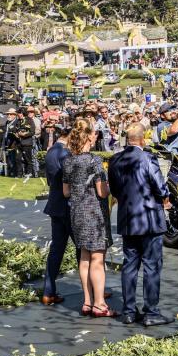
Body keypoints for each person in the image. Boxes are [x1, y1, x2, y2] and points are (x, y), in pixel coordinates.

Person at [108, 122, 173, 327]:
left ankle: (128, 311)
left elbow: (115, 189)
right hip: (149, 218)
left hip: (128, 217)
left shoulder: (115, 159)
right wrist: (165, 199)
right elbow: (159, 184)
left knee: (129, 265)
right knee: (152, 266)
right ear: (142, 139)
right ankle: (151, 312)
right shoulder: (147, 157)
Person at [63, 118, 116, 318]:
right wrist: (113, 187)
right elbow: (102, 192)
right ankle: (100, 304)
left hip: (76, 212)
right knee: (97, 259)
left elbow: (66, 191)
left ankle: (87, 301)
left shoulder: (68, 161)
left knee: (84, 257)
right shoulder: (94, 161)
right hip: (94, 213)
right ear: (87, 138)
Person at [41, 123, 71, 306]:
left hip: (54, 204)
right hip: (67, 205)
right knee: (82, 250)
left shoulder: (51, 151)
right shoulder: (65, 154)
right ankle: (91, 292)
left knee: (56, 250)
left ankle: (48, 290)